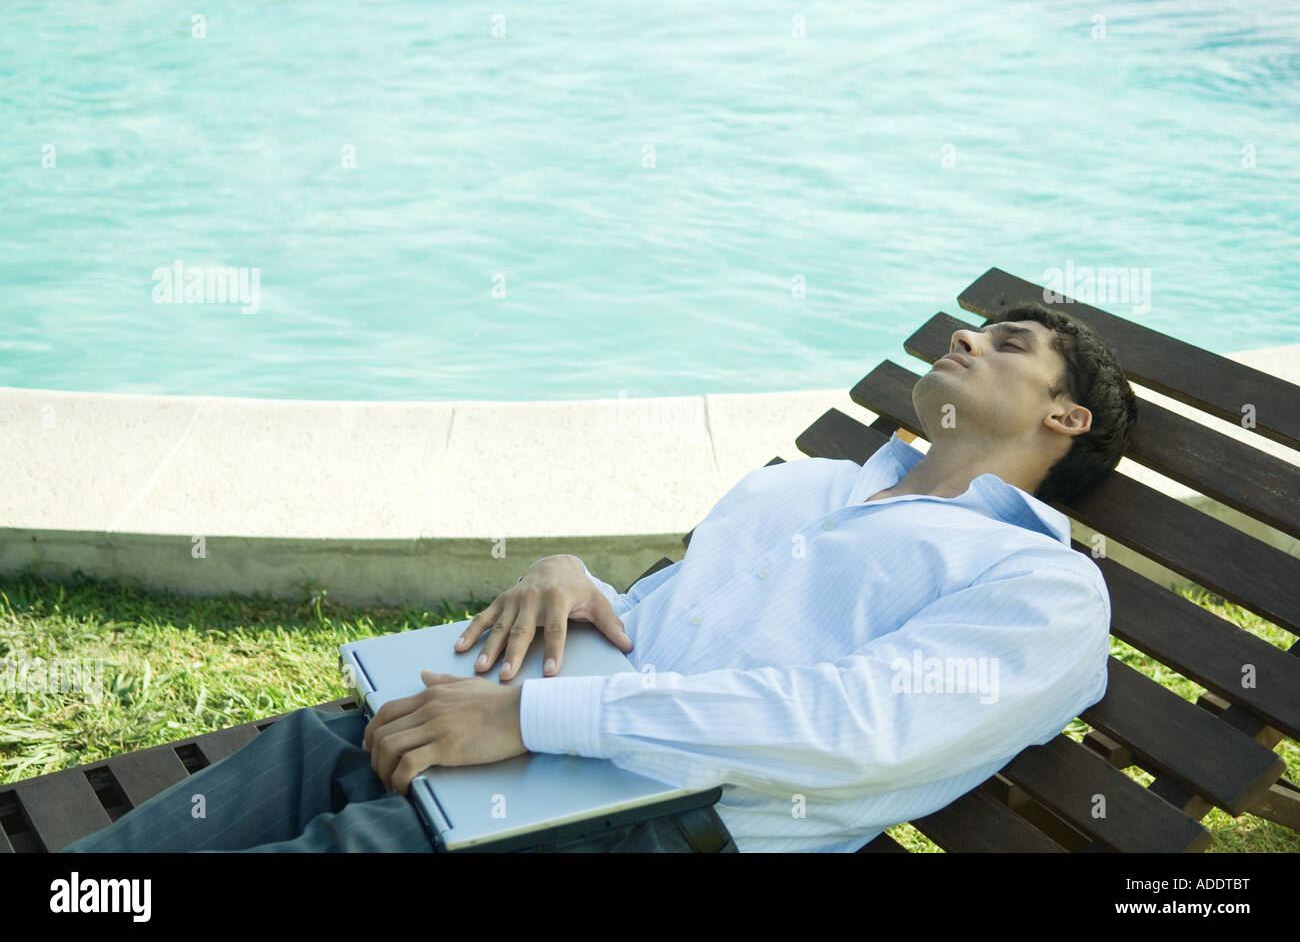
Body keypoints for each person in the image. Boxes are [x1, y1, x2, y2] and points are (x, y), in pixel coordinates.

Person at [65, 300, 1138, 853]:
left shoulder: (1040, 589)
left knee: (369, 838)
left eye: (1004, 343)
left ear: (1064, 417)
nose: (964, 336)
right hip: (520, 734)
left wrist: (538, 717)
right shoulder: (801, 490)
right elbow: (673, 629)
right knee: (314, 744)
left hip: (647, 820)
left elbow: (849, 727)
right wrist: (577, 582)